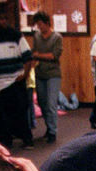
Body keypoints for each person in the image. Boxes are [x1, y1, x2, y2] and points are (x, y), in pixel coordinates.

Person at [0, 6, 34, 149]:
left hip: (16, 81)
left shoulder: (16, 35)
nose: (3, 21)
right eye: (0, 19)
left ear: (8, 20)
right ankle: (6, 142)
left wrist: (25, 74)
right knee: (2, 116)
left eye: (5, 19)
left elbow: (28, 57)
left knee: (20, 112)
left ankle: (27, 139)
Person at [30, 11, 62, 143]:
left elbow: (54, 56)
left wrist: (38, 55)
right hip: (40, 73)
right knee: (42, 103)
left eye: (41, 24)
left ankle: (53, 132)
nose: (39, 27)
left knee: (51, 103)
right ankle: (49, 128)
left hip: (53, 74)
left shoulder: (57, 37)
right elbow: (33, 53)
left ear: (47, 24)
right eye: (38, 25)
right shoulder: (37, 36)